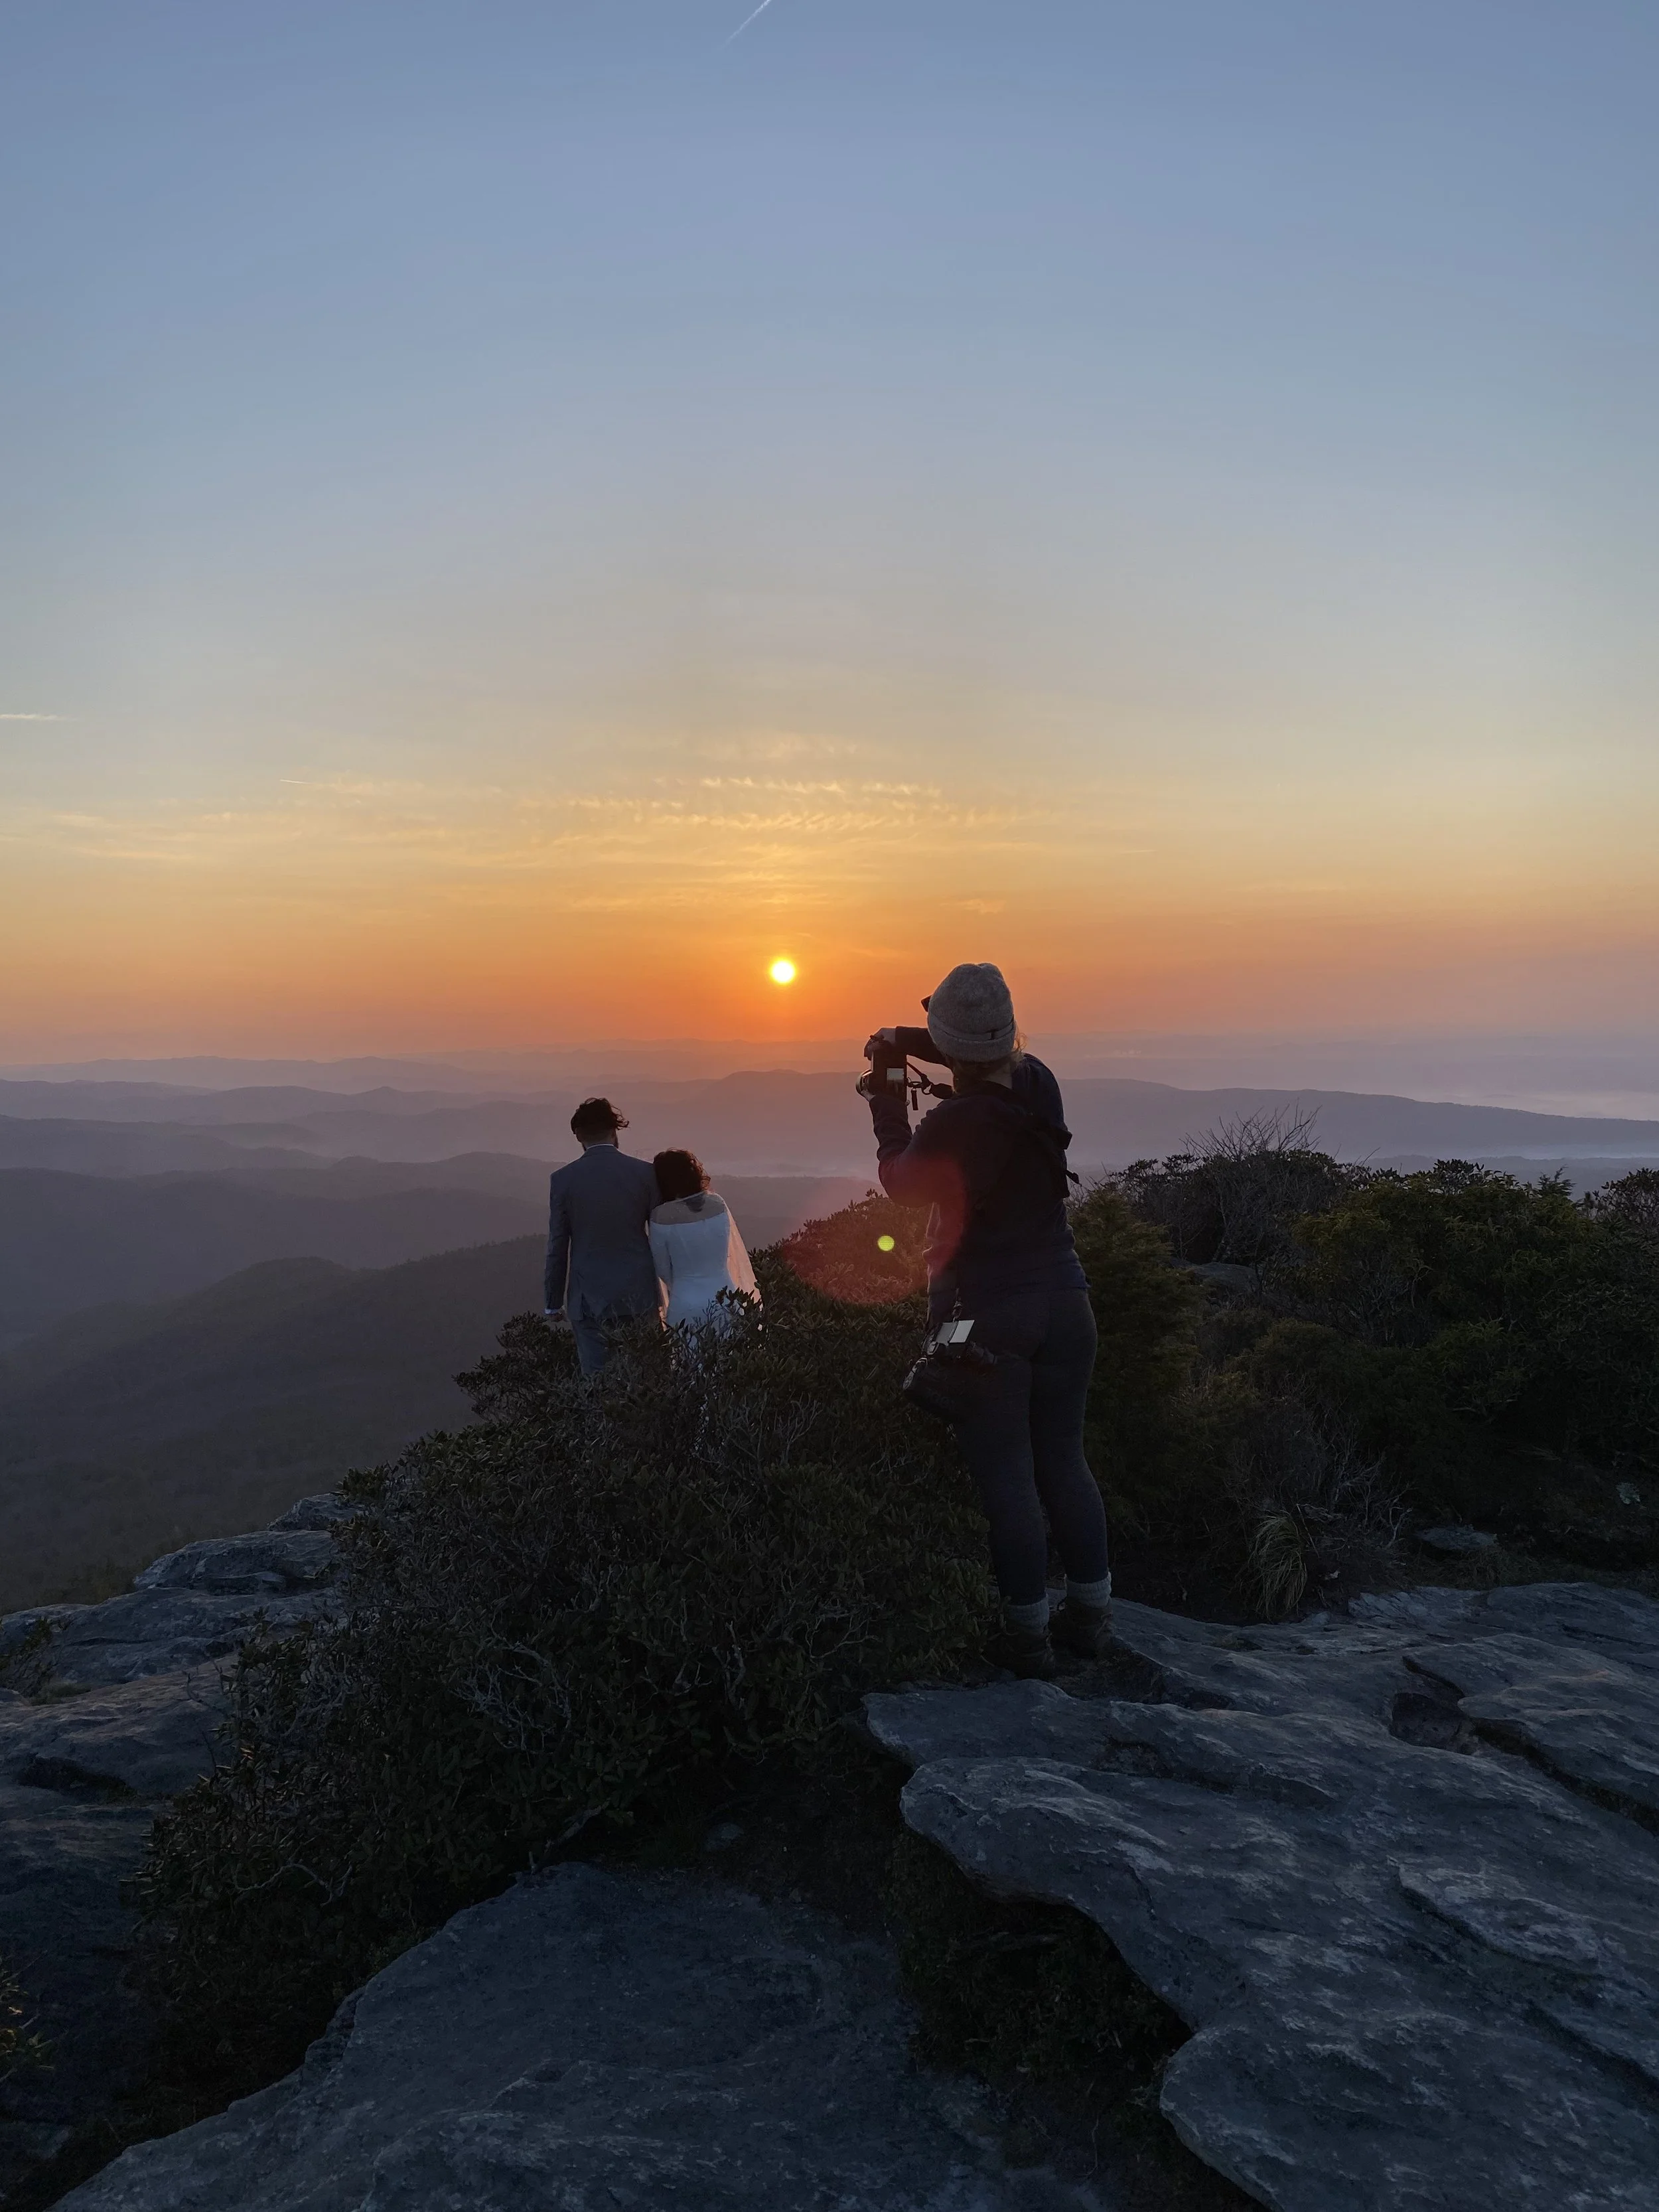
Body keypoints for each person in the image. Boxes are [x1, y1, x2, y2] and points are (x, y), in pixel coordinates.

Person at [861, 962, 1112, 1678]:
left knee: (1007, 1480)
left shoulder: (955, 1121)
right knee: (1065, 1462)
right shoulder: (1038, 1082)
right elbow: (980, 1058)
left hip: (989, 1316)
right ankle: (1090, 1617)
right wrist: (900, 1037)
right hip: (1067, 1301)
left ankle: (1026, 1637)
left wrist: (884, 1104)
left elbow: (901, 1185)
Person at [544, 1097, 662, 1376]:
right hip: (640, 1293)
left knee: (599, 1385)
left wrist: (552, 1302)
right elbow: (660, 1234)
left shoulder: (563, 1179)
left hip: (589, 1299)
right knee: (650, 1379)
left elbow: (558, 1245)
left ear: (578, 1136)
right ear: (615, 1130)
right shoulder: (646, 1174)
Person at [648, 1148, 759, 1327]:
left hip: (685, 1303)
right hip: (727, 1298)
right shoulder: (718, 1204)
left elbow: (662, 1269)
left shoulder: (660, 1217)